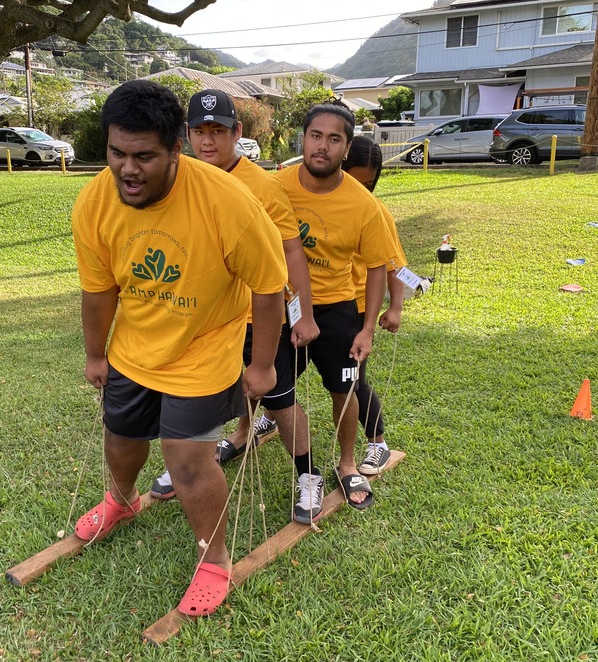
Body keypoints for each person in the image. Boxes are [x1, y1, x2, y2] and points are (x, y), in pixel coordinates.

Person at [71, 80, 288, 617]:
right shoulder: (95, 202)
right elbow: (99, 290)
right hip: (135, 347)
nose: (128, 169)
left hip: (204, 345)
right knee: (121, 437)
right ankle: (121, 501)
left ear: (176, 149)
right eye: (117, 153)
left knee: (186, 459)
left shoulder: (227, 201)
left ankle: (213, 559)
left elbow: (268, 285)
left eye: (144, 156)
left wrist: (261, 365)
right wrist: (96, 354)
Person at [149, 89, 322, 512]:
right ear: (186, 134)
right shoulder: (177, 177)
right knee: (195, 397)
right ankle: (191, 462)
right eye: (200, 131)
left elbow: (291, 250)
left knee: (279, 401)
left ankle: (308, 475)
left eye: (219, 131)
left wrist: (304, 314)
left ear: (237, 132)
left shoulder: (261, 186)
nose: (209, 141)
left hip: (255, 317)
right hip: (201, 318)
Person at [275, 102, 397, 521]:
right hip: (285, 309)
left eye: (334, 139)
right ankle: (304, 471)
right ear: (302, 139)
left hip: (338, 310)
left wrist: (367, 330)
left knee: (345, 394)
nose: (322, 146)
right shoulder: (277, 186)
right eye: (315, 136)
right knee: (273, 393)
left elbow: (378, 269)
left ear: (347, 148)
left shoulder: (364, 205)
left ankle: (346, 465)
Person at [342, 135, 411, 475]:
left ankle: (378, 443)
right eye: (354, 179)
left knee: (352, 380)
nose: (360, 189)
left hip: (353, 307)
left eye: (368, 183)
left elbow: (394, 264)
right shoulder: (318, 199)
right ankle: (270, 419)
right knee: (284, 372)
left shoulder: (375, 212)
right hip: (311, 304)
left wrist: (395, 307)